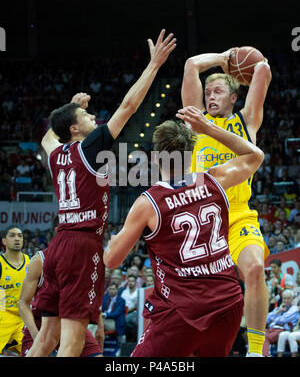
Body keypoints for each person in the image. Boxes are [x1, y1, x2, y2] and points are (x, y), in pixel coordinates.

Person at [26, 29, 176, 357]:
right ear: (76, 130)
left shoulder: (56, 153)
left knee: (46, 335)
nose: (94, 117)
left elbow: (48, 137)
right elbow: (129, 105)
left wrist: (70, 108)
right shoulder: (90, 147)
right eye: (86, 116)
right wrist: (153, 66)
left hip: (58, 244)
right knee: (73, 340)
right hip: (82, 246)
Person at [103, 105, 264, 357]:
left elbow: (111, 259)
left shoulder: (148, 203)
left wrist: (114, 241)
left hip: (182, 311)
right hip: (228, 303)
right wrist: (208, 127)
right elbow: (255, 155)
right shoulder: (215, 179)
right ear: (192, 153)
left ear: (155, 158)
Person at [181, 47, 272, 356]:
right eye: (208, 91)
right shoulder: (196, 122)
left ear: (234, 97)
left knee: (256, 269)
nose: (210, 95)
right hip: (202, 221)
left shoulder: (247, 121)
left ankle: (256, 351)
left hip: (238, 216)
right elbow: (191, 64)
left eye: (218, 90)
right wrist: (222, 57)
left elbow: (262, 69)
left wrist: (243, 60)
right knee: (201, 302)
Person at [19, 248, 103, 357]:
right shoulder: (39, 260)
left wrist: (100, 327)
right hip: (41, 325)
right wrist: (36, 336)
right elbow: (22, 303)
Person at [0, 226, 30, 356]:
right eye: (12, 235)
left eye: (20, 235)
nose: (17, 238)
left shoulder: (31, 262)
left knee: (35, 352)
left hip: (23, 319)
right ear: (4, 241)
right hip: (3, 315)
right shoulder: (1, 263)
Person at [262, 289, 299, 357]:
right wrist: (278, 311)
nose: (286, 300)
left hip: (284, 329)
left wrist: (274, 319)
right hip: (272, 328)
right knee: (260, 334)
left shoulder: (294, 309)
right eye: (284, 298)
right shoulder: (279, 308)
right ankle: (262, 354)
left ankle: (266, 355)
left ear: (292, 299)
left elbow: (283, 319)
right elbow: (266, 319)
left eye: (288, 298)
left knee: (266, 337)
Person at [121, 275, 138, 341]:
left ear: (135, 282)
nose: (130, 283)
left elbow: (136, 306)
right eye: (129, 281)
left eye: (132, 281)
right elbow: (121, 304)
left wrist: (127, 311)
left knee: (122, 320)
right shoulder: (124, 292)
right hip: (123, 312)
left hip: (133, 312)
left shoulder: (138, 292)